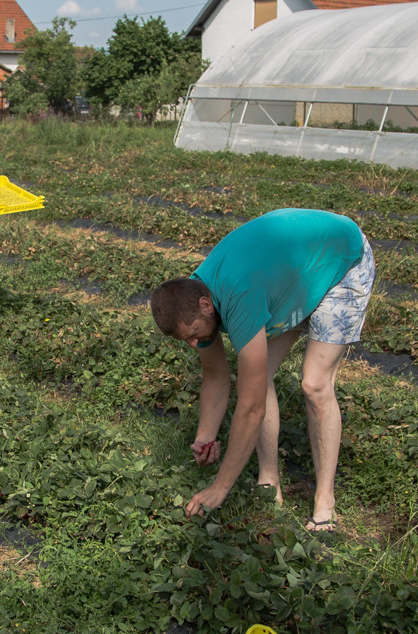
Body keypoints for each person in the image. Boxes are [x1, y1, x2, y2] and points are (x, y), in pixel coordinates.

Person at [150, 209, 375, 531]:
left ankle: (325, 500)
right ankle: (269, 483)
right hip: (294, 270)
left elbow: (252, 408)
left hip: (340, 258)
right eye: (186, 339)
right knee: (257, 377)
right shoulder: (195, 301)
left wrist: (220, 487)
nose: (193, 344)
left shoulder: (240, 298)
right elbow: (215, 375)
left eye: (193, 335)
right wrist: (205, 437)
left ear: (205, 306)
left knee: (314, 383)